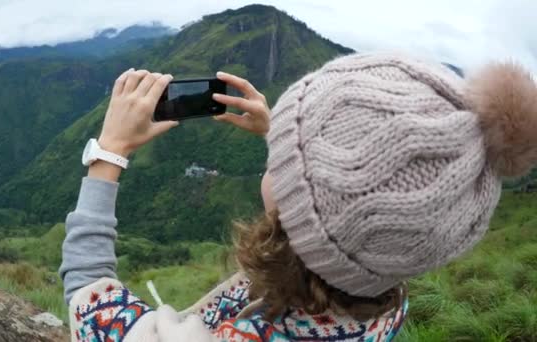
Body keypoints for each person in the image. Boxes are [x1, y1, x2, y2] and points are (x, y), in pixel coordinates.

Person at [59, 52, 537, 341]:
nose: (276, 163)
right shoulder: (384, 292)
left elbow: (90, 299)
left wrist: (109, 153)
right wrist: (279, 135)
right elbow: (352, 212)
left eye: (284, 162)